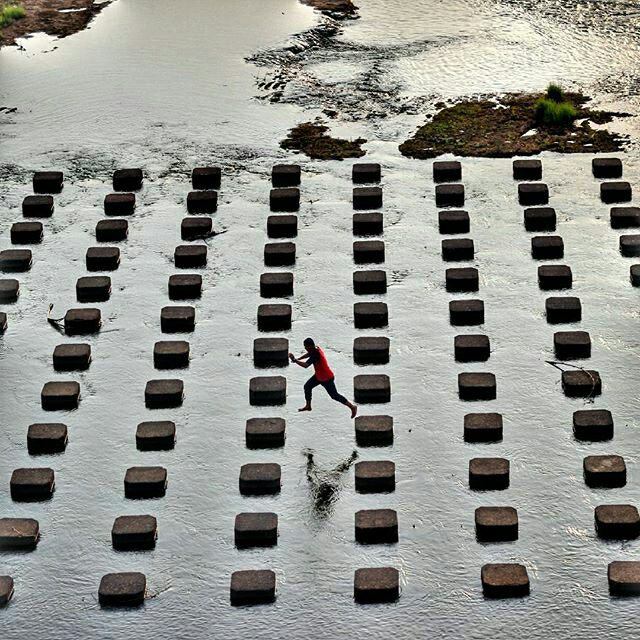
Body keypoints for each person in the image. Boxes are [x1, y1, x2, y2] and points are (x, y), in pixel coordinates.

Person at [290, 338, 358, 418]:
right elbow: (308, 354)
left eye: (306, 346)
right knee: (307, 386)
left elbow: (306, 365)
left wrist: (295, 360)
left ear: (311, 346)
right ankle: (308, 406)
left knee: (334, 396)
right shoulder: (315, 349)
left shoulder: (316, 355)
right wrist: (298, 359)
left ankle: (352, 407)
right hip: (319, 376)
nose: (305, 348)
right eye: (304, 346)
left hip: (327, 378)